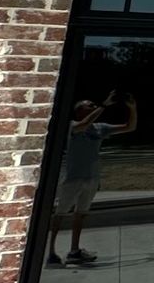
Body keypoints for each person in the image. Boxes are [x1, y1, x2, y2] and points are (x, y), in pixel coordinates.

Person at [48, 90, 136, 266]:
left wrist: (133, 108)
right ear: (79, 111)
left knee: (81, 214)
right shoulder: (73, 126)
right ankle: (51, 251)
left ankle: (74, 251)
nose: (94, 107)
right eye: (90, 105)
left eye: (94, 105)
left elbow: (129, 127)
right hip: (73, 178)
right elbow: (84, 123)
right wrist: (104, 104)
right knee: (60, 214)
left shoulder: (100, 128)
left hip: (91, 178)